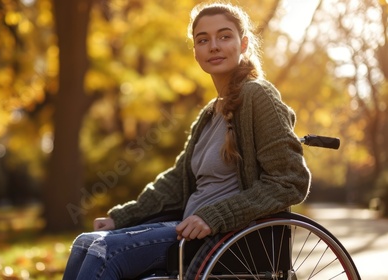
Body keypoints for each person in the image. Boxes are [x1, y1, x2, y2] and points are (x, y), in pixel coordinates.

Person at [62, 2, 311, 279]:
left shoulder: (258, 96)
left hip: (226, 237)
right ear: (195, 52)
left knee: (103, 252)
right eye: (203, 40)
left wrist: (215, 216)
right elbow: (176, 181)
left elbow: (290, 180)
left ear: (243, 44)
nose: (213, 46)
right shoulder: (209, 113)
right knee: (86, 242)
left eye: (224, 36)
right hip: (187, 229)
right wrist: (121, 218)